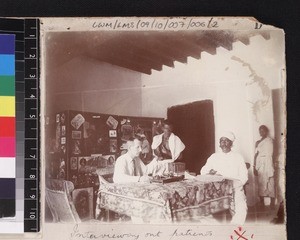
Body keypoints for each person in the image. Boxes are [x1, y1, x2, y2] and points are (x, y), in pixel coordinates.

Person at [200, 131, 248, 225]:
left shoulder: (238, 157)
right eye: (222, 141)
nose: (224, 143)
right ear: (219, 144)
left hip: (235, 187)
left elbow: (244, 176)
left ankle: (234, 229)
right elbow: (203, 171)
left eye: (227, 141)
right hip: (216, 190)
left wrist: (235, 185)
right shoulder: (214, 157)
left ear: (231, 143)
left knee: (242, 208)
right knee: (202, 207)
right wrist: (209, 172)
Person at [253, 125, 275, 207]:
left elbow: (273, 153)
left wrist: (273, 163)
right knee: (261, 182)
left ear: (266, 131)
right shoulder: (258, 142)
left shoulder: (270, 141)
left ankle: (272, 202)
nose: (262, 132)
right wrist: (254, 166)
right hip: (260, 163)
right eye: (260, 131)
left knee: (271, 181)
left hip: (269, 162)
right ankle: (261, 202)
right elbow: (255, 154)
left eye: (263, 130)